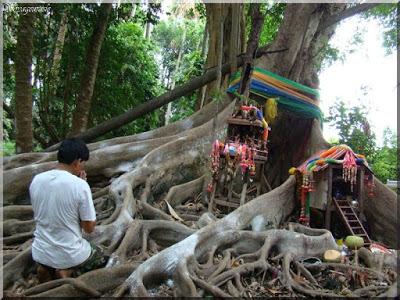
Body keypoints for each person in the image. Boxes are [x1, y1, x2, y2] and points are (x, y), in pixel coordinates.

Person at [29, 138, 106, 282]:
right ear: (77, 162)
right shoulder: (80, 186)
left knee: (48, 252)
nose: (83, 168)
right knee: (101, 255)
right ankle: (67, 272)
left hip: (40, 252)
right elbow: (89, 228)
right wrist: (83, 186)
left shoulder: (36, 180)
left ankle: (46, 268)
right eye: (83, 163)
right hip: (70, 255)